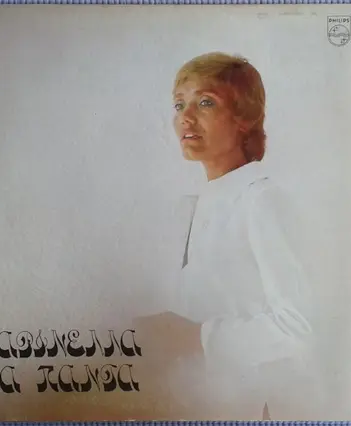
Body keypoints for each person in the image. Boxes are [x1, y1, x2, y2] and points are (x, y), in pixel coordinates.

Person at [134, 52, 323, 420]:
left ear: (244, 118)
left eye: (205, 102)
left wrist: (196, 337)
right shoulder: (190, 208)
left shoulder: (261, 200)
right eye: (179, 104)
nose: (185, 117)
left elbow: (297, 326)